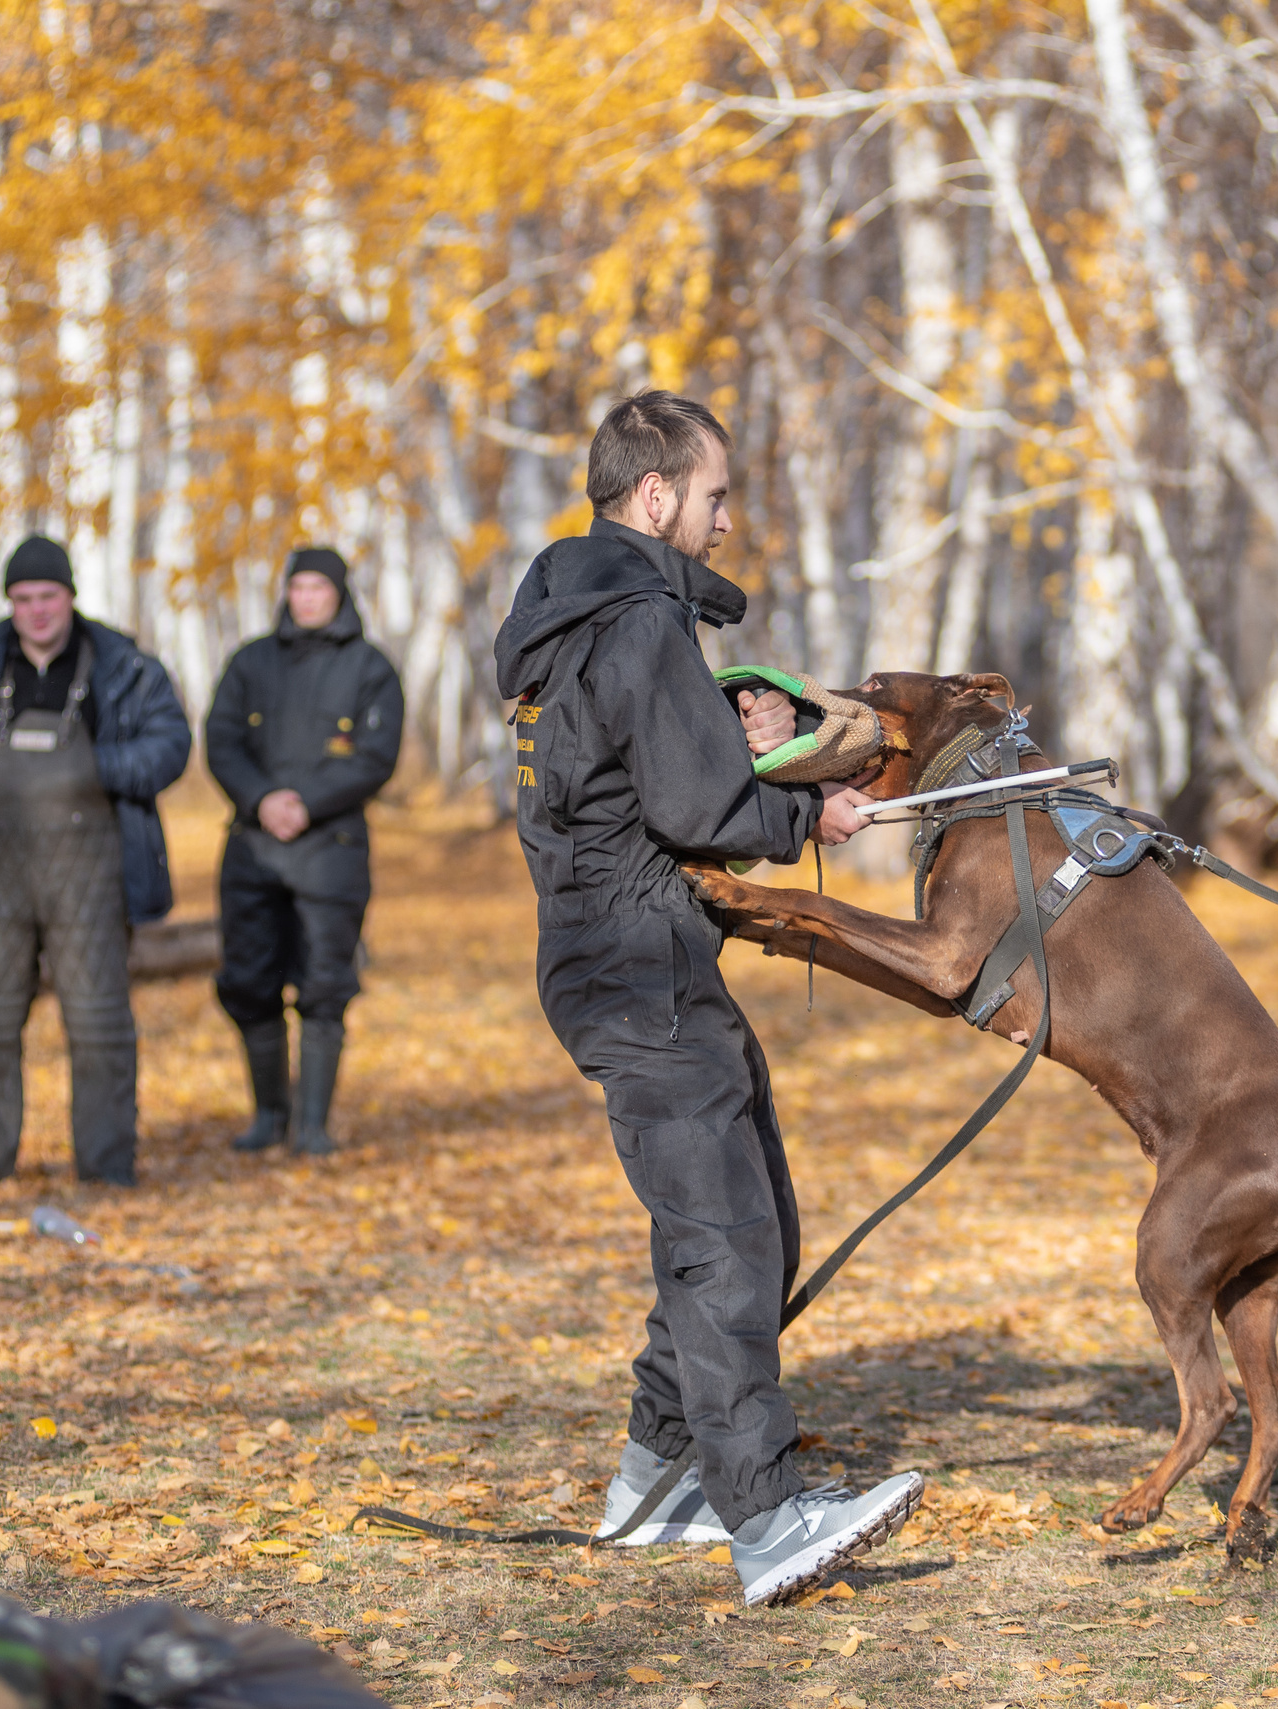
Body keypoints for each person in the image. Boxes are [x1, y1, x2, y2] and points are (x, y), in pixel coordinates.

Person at [493, 390, 921, 1606]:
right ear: (656, 494)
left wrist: (742, 726)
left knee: (749, 1219)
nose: (728, 519)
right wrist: (808, 807)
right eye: (717, 494)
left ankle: (653, 1478)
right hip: (637, 966)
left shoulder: (580, 615)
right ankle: (769, 1513)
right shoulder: (634, 622)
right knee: (724, 1239)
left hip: (635, 956)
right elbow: (695, 811)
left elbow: (638, 772)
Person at [0, 535, 192, 1186]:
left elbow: (172, 742)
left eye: (48, 596)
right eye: (23, 598)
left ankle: (107, 1170)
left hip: (91, 875)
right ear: (10, 601)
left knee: (99, 1025)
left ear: (70, 597)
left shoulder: (122, 664)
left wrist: (99, 768)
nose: (36, 610)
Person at [203, 547, 404, 1157]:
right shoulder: (250, 663)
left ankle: (312, 1125)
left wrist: (305, 803)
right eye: (299, 586)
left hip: (332, 850)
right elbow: (221, 740)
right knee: (248, 981)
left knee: (324, 984)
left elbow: (376, 756)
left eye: (320, 586)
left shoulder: (370, 668)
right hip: (253, 849)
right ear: (286, 592)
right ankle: (269, 1115)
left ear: (339, 593)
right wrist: (262, 799)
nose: (308, 597)